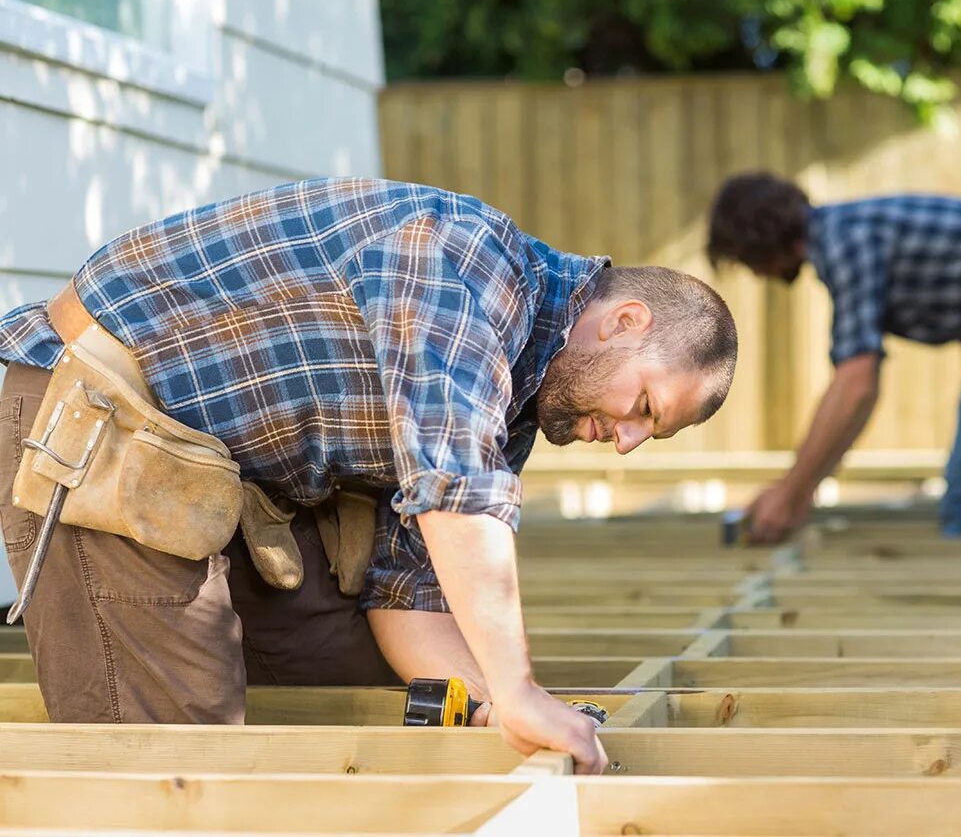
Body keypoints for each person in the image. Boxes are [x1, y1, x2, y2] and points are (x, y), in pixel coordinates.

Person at [0, 177, 738, 774]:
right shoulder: (468, 262)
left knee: (343, 674)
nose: (629, 442)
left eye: (652, 431)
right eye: (644, 405)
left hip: (212, 481)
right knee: (183, 764)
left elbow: (405, 596)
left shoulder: (513, 404)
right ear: (624, 321)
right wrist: (516, 686)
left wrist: (495, 705)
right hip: (101, 427)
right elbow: (456, 486)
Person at [707, 172, 961, 544]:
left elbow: (856, 385)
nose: (757, 275)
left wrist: (792, 493)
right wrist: (797, 491)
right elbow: (855, 390)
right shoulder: (840, 237)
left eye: (747, 262)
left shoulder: (846, 240)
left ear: (760, 242)